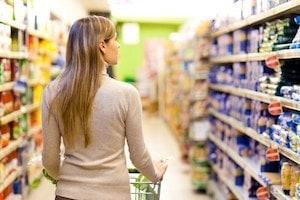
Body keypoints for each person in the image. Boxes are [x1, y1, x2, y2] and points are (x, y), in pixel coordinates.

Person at [42, 16, 167, 200]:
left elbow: (50, 160)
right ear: (102, 45)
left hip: (66, 194)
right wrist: (156, 173)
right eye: (115, 39)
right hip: (113, 193)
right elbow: (138, 156)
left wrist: (73, 183)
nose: (118, 45)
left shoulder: (53, 91)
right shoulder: (126, 93)